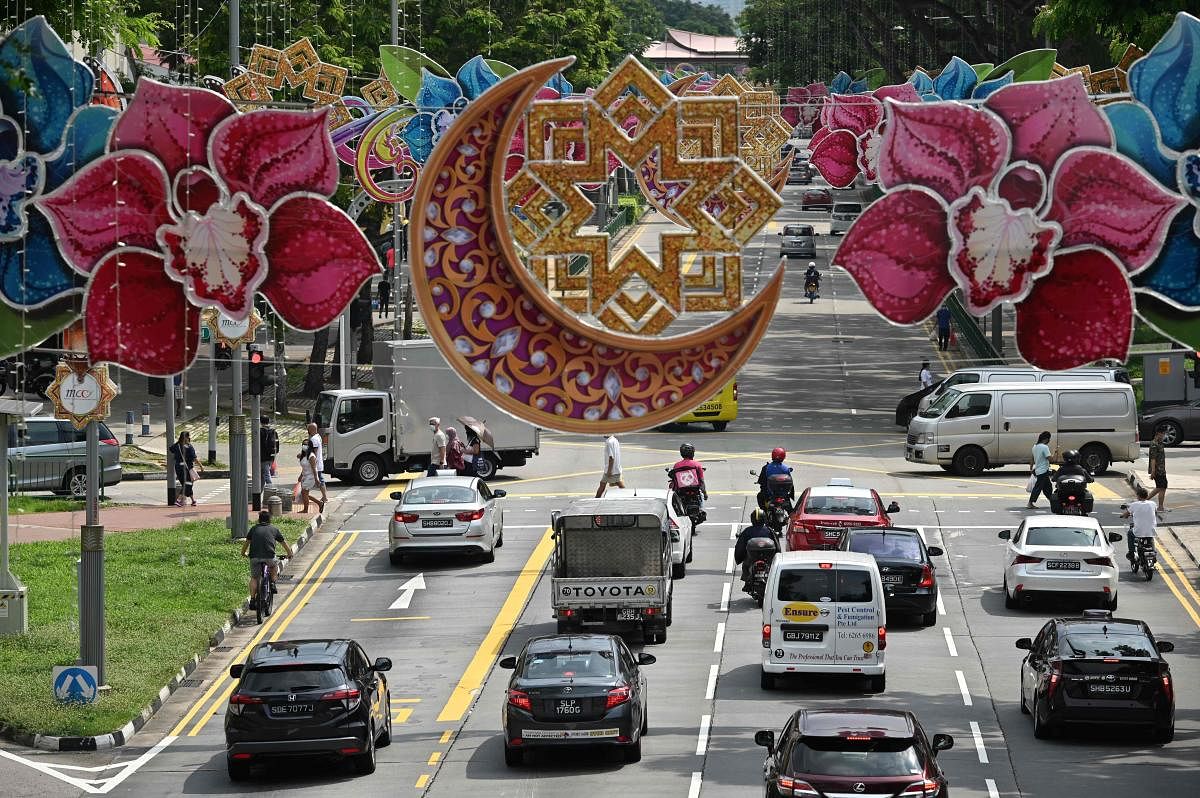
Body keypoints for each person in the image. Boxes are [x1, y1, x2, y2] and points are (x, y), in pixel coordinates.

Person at [242, 510, 294, 606]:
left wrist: (244, 553)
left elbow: (246, 543)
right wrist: (289, 553)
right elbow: (283, 543)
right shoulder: (274, 529)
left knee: (254, 578)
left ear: (259, 519)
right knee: (274, 566)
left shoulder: (253, 529)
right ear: (270, 520)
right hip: (269, 557)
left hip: (254, 557)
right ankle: (273, 583)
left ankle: (252, 599)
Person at [734, 510, 778, 587]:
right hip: (767, 558)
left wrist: (739, 557)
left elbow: (740, 546)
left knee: (745, 565)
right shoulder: (769, 530)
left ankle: (747, 581)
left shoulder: (747, 531)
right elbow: (777, 545)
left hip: (752, 558)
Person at [1121, 486, 1158, 565]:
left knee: (1130, 533)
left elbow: (1126, 514)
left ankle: (1131, 553)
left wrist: (1124, 515)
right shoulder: (1153, 503)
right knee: (1150, 537)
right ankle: (1154, 554)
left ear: (1138, 496)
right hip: (1151, 530)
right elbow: (1155, 511)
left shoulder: (1134, 505)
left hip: (1138, 531)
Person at [169, 431, 201, 507]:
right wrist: (201, 466)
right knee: (188, 484)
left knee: (186, 484)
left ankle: (193, 500)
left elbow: (171, 449)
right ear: (186, 437)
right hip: (186, 468)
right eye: (188, 436)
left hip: (178, 467)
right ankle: (178, 500)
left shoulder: (177, 445)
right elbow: (194, 458)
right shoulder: (189, 446)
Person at [1027, 431, 1056, 509]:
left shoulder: (1035, 447)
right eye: (1049, 439)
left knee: (1048, 487)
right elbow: (1050, 459)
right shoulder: (1044, 447)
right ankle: (1030, 503)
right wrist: (1055, 453)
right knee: (1038, 488)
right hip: (1043, 471)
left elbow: (1032, 458)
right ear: (1046, 439)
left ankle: (1052, 501)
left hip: (1039, 470)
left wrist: (1031, 468)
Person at [295, 443, 324, 513]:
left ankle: (306, 509)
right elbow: (305, 467)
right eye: (303, 444)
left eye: (306, 444)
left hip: (310, 477)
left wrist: (317, 479)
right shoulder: (304, 455)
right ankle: (319, 503)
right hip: (305, 476)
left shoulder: (311, 456)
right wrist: (301, 476)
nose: (304, 446)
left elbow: (314, 469)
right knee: (304, 494)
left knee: (304, 493)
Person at [1146, 428, 1168, 511]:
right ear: (1158, 433)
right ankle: (1160, 506)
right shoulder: (1154, 444)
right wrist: (1153, 471)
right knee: (1161, 487)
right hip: (1157, 470)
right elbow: (1153, 459)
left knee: (1161, 487)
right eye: (1163, 434)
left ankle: (1159, 506)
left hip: (1161, 469)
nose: (1164, 436)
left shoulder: (1160, 443)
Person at [306, 422, 328, 504]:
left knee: (319, 480)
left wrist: (312, 462)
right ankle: (324, 496)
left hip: (316, 463)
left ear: (311, 429)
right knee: (320, 479)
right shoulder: (318, 436)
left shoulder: (314, 439)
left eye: (308, 429)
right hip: (318, 463)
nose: (307, 430)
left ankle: (324, 497)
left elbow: (314, 452)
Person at [259, 414, 279, 486]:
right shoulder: (273, 431)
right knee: (262, 475)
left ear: (260, 422)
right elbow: (277, 444)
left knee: (266, 475)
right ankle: (259, 493)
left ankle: (272, 491)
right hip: (271, 456)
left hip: (263, 457)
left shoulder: (260, 432)